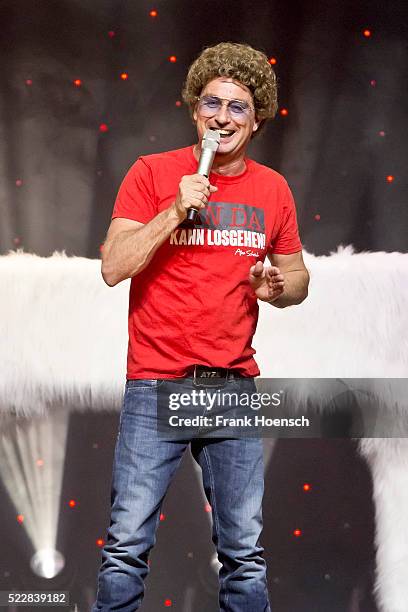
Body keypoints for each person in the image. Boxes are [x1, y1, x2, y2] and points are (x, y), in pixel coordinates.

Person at [92, 41, 309, 612]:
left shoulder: (273, 190)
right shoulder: (152, 173)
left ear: (256, 119)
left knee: (244, 550)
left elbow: (297, 278)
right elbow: (114, 267)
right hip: (156, 382)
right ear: (194, 108)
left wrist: (280, 289)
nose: (222, 117)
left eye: (238, 107)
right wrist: (173, 211)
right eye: (212, 103)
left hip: (231, 386)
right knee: (125, 545)